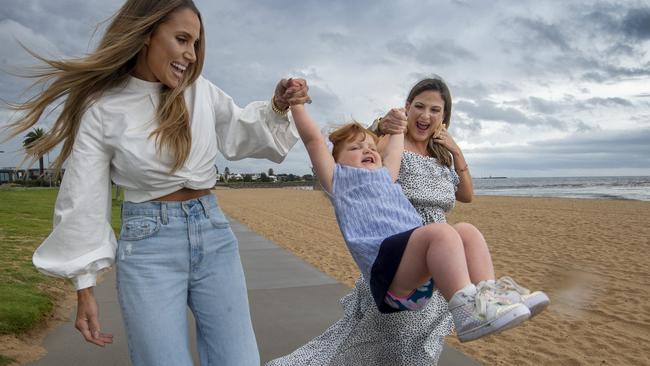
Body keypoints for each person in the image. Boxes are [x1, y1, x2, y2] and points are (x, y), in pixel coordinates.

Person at [7, 0, 309, 365]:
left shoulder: (202, 92)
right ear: (147, 34)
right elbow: (83, 197)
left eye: (195, 44)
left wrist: (277, 104)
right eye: (182, 39)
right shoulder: (102, 107)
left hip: (214, 235)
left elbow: (241, 132)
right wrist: (83, 286)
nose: (191, 54)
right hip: (149, 249)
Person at [269, 77, 548, 365]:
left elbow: (395, 152)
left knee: (466, 230)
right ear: (335, 161)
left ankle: (490, 298)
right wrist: (298, 103)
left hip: (421, 273)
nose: (368, 150)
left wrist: (406, 128)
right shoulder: (339, 181)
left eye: (371, 149)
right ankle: (466, 313)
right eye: (356, 148)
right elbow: (315, 140)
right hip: (388, 271)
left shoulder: (386, 176)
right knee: (441, 235)